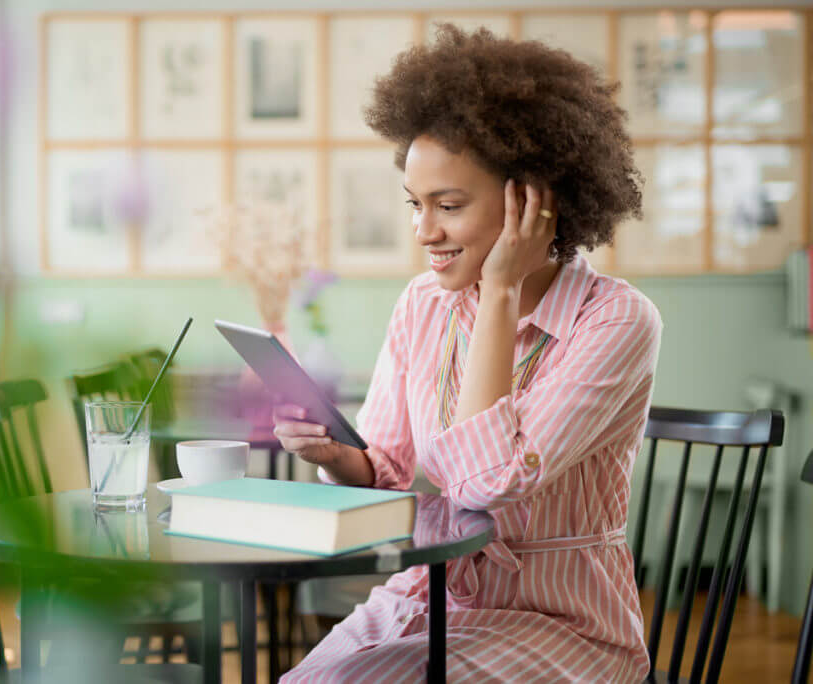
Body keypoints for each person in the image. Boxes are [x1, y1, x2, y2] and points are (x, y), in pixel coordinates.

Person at [274, 25, 661, 683]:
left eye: (448, 205)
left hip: (561, 623)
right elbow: (389, 466)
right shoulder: (422, 304)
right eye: (415, 206)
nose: (425, 232)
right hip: (429, 597)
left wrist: (502, 289)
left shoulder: (617, 320)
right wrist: (337, 457)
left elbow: (488, 485)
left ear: (531, 201)